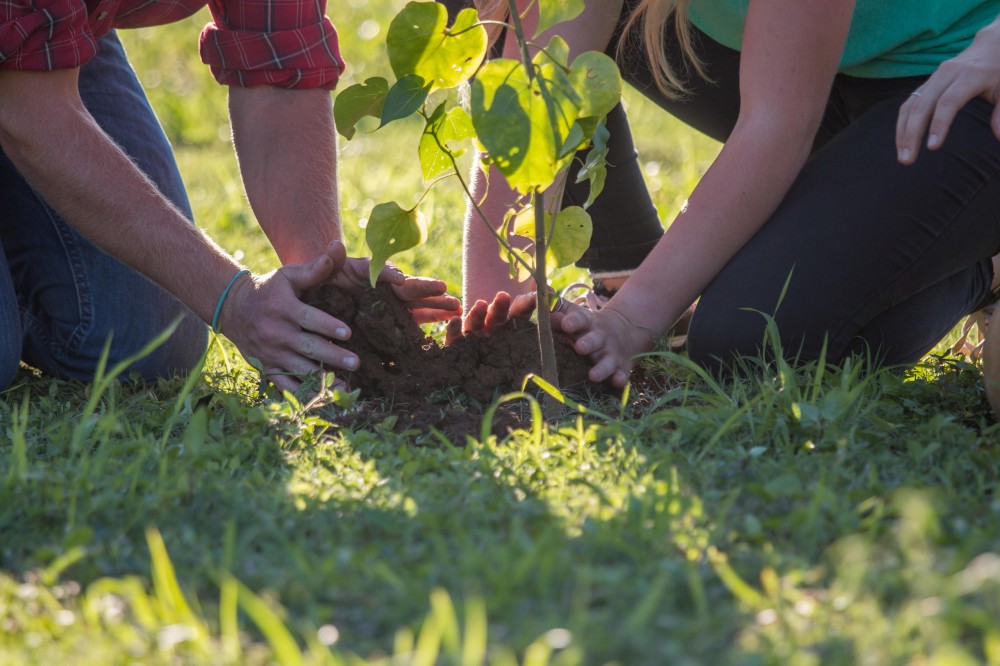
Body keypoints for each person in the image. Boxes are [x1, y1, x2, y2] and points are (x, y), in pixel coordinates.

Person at [462, 0, 1000, 396]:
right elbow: (541, 80)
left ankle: (985, 264)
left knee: (747, 345)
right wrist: (492, 300)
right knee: (495, 10)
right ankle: (884, 207)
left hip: (956, 85)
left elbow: (776, 123)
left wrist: (630, 322)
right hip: (814, 69)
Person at [0, 0, 461, 393]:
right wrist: (235, 301)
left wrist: (320, 285)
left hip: (38, 38)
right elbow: (30, 109)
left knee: (147, 345)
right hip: (25, 70)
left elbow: (278, 76)